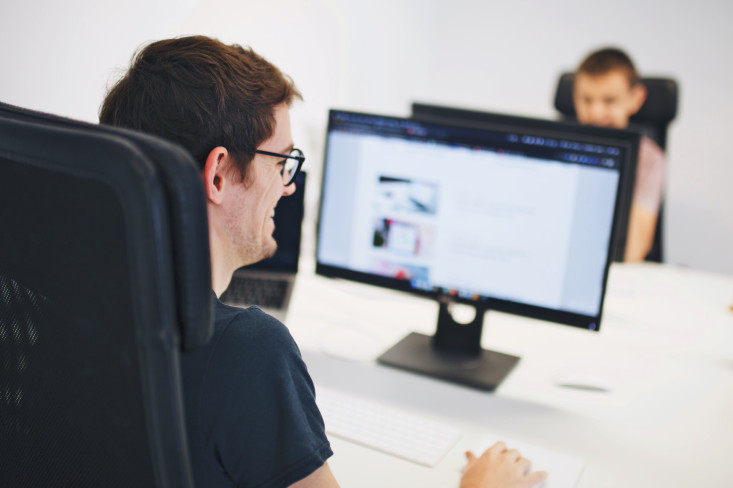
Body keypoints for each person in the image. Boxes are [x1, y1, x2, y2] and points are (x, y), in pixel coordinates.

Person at [100, 35, 547, 488]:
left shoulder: (71, 306)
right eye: (281, 162)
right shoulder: (247, 349)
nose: (289, 186)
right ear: (217, 175)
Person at [571, 47, 665, 262]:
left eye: (609, 100)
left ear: (636, 98)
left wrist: (620, 162)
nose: (596, 113)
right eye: (586, 100)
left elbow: (633, 255)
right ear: (575, 98)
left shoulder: (649, 159)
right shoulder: (559, 147)